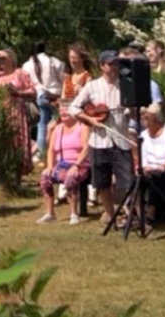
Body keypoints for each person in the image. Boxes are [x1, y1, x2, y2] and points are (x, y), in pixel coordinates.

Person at [69, 50, 136, 227]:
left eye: (116, 63)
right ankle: (111, 217)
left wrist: (132, 110)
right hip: (99, 142)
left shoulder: (126, 85)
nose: (114, 66)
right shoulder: (92, 86)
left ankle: (131, 215)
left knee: (128, 181)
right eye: (110, 63)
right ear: (102, 66)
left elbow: (134, 112)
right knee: (102, 183)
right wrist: (90, 119)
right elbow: (74, 108)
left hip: (121, 140)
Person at [36, 101, 88, 225]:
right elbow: (51, 150)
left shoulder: (83, 126)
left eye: (66, 110)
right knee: (45, 177)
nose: (63, 112)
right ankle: (50, 213)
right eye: (61, 110)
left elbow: (86, 148)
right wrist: (49, 166)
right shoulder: (57, 129)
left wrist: (77, 165)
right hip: (62, 163)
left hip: (80, 164)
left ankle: (74, 214)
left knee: (70, 178)